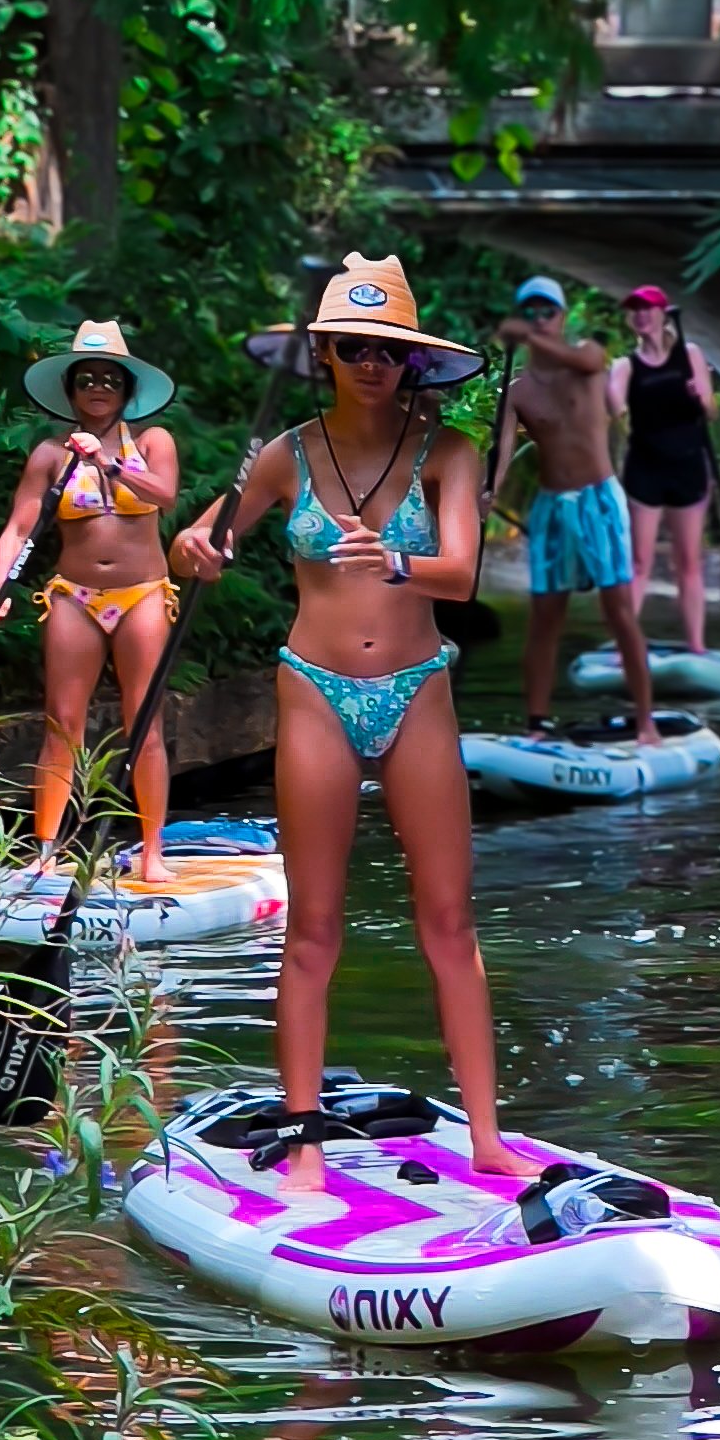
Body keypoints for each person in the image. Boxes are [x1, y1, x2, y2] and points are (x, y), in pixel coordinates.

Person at [170, 255, 523, 1194]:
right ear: (325, 352)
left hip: (418, 687)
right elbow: (201, 538)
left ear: (413, 361)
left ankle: (487, 1136)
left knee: (449, 919)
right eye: (354, 347)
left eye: (389, 349)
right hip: (315, 686)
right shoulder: (287, 452)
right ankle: (304, 1138)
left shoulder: (446, 451)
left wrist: (399, 563)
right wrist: (197, 547)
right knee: (314, 927)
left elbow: (462, 573)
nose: (372, 362)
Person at [0, 318, 180, 886]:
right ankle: (44, 849)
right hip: (75, 594)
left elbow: (164, 496)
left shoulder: (152, 442)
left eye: (109, 379)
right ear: (70, 391)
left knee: (144, 720)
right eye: (85, 378)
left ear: (126, 389)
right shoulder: (49, 455)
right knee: (63, 722)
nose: (98, 387)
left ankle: (153, 849)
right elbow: (18, 530)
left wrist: (107, 462)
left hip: (141, 593)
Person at [489, 276, 659, 743]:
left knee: (619, 611)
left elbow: (586, 359)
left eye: (548, 312)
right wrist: (490, 493)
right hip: (550, 507)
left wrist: (530, 338)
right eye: (531, 313)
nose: (540, 320)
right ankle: (537, 723)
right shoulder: (519, 387)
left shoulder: (587, 357)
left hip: (598, 501)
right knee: (545, 616)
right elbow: (501, 451)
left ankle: (646, 722)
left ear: (562, 317)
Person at [607, 285, 716, 652]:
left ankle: (697, 647)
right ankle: (626, 647)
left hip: (688, 466)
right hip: (646, 469)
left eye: (647, 308)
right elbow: (615, 405)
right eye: (634, 309)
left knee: (689, 563)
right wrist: (608, 396)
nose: (640, 314)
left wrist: (701, 395)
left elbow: (711, 411)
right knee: (639, 563)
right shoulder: (625, 365)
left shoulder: (690, 354)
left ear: (662, 314)